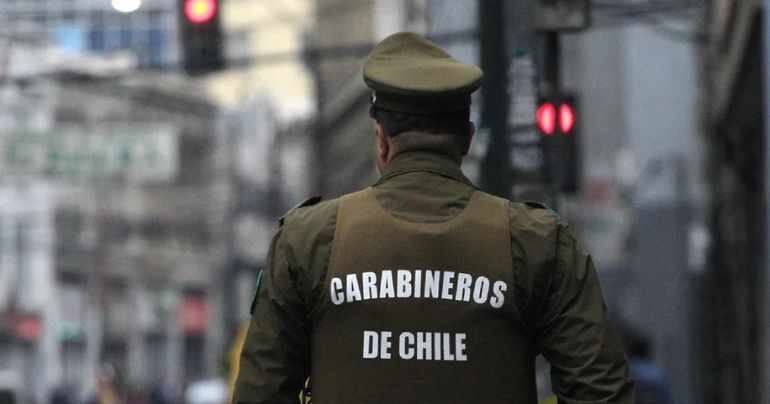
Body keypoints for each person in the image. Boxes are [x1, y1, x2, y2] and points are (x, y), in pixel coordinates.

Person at [233, 32, 634, 404]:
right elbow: (601, 392)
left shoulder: (308, 240)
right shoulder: (538, 242)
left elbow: (261, 392)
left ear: (382, 141)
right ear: (467, 139)